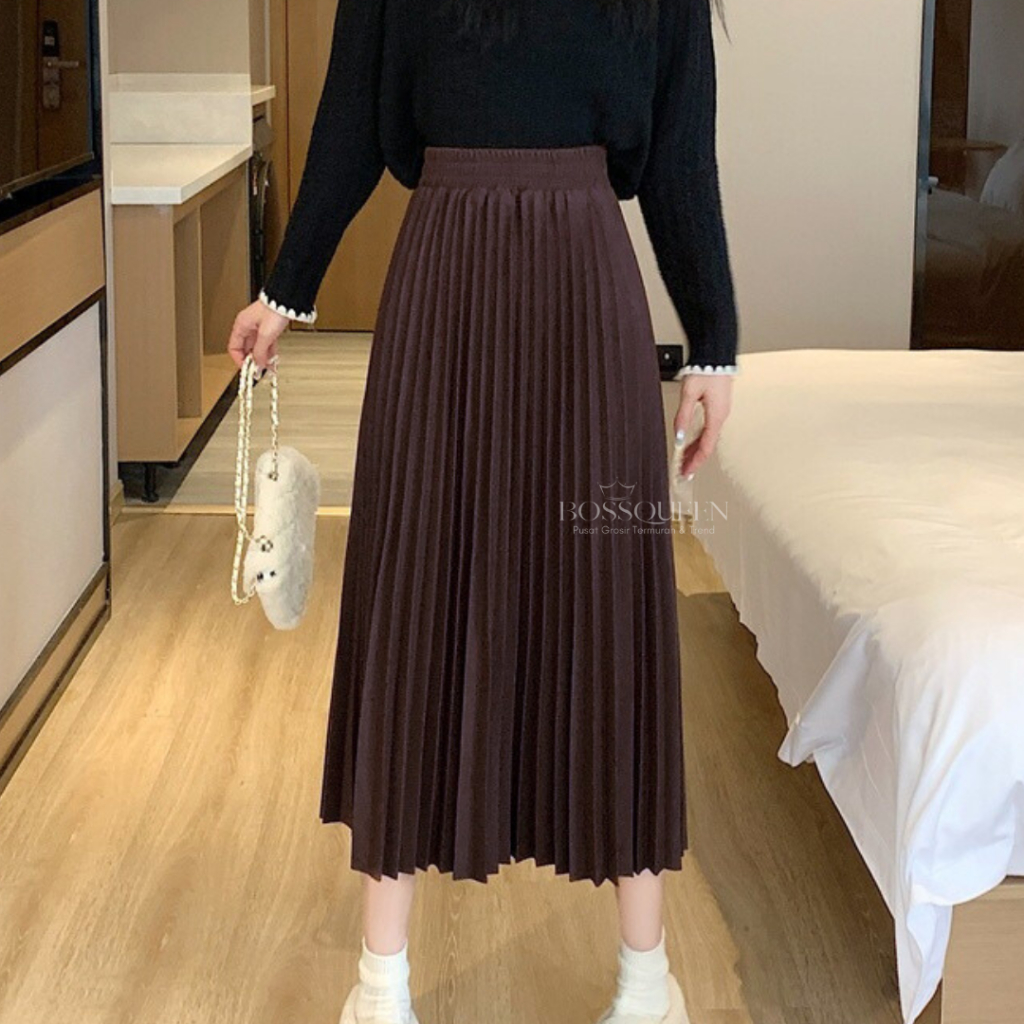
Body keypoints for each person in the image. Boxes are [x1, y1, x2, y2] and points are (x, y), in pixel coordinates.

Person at [228, 0, 738, 1021]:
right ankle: (382, 983)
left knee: (601, 605)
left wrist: (713, 342)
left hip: (555, 289)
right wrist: (286, 289)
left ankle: (643, 980)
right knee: (421, 592)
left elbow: (681, 154)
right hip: (464, 285)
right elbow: (348, 121)